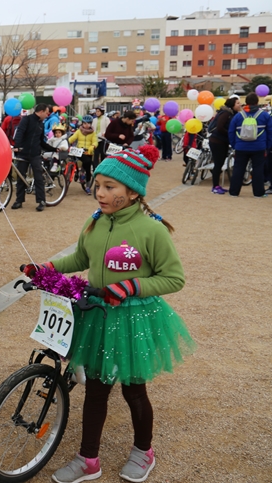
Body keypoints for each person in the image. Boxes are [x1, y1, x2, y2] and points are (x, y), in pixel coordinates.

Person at [22, 144, 194, 483]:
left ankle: (144, 451)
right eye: (97, 185)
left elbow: (173, 278)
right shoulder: (95, 222)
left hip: (133, 320)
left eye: (109, 187)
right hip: (99, 315)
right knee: (97, 389)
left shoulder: (152, 230)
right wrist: (46, 269)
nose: (99, 193)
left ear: (132, 192)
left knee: (133, 389)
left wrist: (131, 287)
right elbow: (81, 260)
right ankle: (89, 459)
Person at [12, 103, 55, 211]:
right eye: (46, 113)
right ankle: (19, 200)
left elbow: (41, 141)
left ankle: (41, 201)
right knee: (21, 177)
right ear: (41, 112)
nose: (47, 115)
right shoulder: (27, 120)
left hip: (35, 154)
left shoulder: (41, 124)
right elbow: (20, 132)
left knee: (38, 178)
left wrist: (53, 149)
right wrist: (17, 146)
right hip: (23, 153)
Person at [228, 92, 271, 197]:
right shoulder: (265, 116)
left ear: (246, 102)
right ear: (257, 102)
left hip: (241, 147)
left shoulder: (238, 116)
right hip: (259, 147)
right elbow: (270, 132)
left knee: (238, 169)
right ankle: (258, 193)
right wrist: (267, 146)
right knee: (258, 170)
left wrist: (234, 145)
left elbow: (231, 132)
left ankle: (234, 192)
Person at [208, 97, 241, 195]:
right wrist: (230, 134)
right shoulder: (226, 113)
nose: (240, 105)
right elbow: (220, 127)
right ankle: (215, 186)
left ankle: (217, 185)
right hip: (217, 141)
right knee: (218, 164)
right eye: (238, 103)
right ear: (232, 104)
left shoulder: (232, 114)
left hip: (222, 142)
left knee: (220, 164)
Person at [68, 115, 98, 194]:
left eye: (88, 123)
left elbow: (95, 141)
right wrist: (67, 142)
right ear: (82, 123)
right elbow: (72, 138)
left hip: (88, 151)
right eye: (84, 123)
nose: (86, 125)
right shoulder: (78, 131)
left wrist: (93, 146)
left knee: (88, 167)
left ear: (91, 124)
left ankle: (87, 186)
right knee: (86, 161)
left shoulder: (93, 133)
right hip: (79, 151)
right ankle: (80, 172)